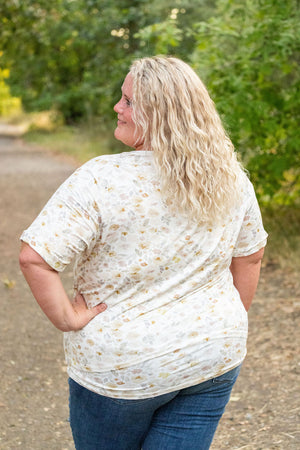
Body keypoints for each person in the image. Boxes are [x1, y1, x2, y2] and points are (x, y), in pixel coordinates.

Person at [19, 56, 267, 450]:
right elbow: (250, 256)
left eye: (129, 101)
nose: (117, 108)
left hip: (122, 369)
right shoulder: (230, 178)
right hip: (211, 356)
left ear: (162, 114)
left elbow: (36, 258)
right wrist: (222, 320)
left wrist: (67, 318)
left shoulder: (100, 178)